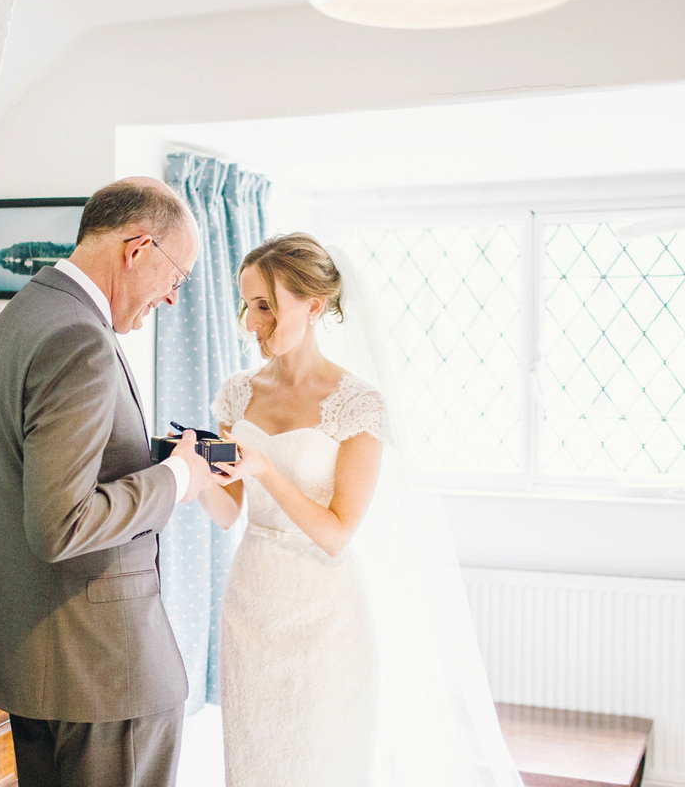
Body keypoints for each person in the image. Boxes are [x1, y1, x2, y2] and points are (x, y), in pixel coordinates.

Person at [197, 233, 525, 787]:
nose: (251, 323)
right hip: (250, 606)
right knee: (252, 763)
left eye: (264, 306)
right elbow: (228, 513)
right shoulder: (236, 393)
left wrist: (266, 470)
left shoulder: (357, 403)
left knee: (321, 763)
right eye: (246, 306)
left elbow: (336, 533)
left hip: (325, 616)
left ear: (313, 304)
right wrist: (188, 473)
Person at [0, 177, 216, 787]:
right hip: (102, 669)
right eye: (176, 277)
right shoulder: (80, 337)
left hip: (39, 657)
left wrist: (165, 454)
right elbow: (60, 524)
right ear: (138, 248)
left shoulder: (25, 314)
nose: (173, 298)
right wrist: (177, 478)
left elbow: (53, 456)